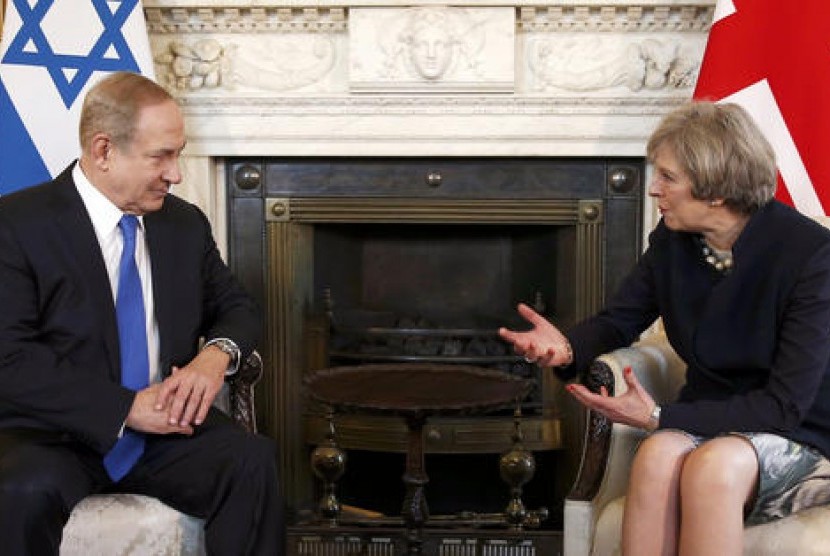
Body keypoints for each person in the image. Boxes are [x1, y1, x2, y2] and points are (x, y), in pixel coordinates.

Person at [499, 101, 830, 555]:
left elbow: (783, 407)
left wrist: (660, 417)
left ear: (716, 189)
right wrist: (566, 348)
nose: (654, 190)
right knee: (655, 457)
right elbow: (620, 319)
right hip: (711, 417)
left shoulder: (812, 257)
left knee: (713, 466)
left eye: (668, 177)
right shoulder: (674, 242)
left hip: (801, 433)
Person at [0, 71, 283, 554]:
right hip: (53, 432)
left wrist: (214, 357)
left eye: (179, 153)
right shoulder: (16, 225)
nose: (176, 174)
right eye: (161, 157)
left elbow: (237, 306)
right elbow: (9, 358)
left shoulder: (183, 224)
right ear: (103, 150)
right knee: (21, 491)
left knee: (251, 460)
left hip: (166, 434)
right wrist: (126, 409)